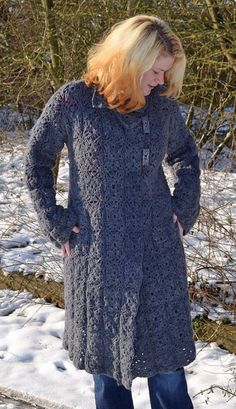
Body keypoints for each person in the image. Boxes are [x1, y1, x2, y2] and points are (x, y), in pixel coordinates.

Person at [24, 14, 201, 409]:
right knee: (108, 382)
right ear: (131, 60)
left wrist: (183, 207)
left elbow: (186, 156)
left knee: (169, 377)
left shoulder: (162, 110)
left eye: (165, 73)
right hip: (97, 259)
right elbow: (37, 158)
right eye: (155, 71)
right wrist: (55, 221)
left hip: (158, 255)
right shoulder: (74, 102)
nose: (160, 81)